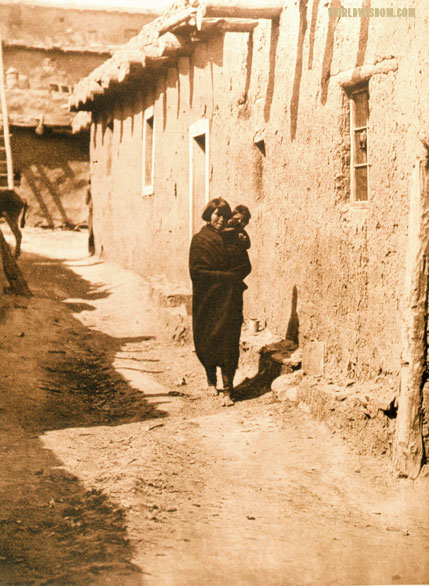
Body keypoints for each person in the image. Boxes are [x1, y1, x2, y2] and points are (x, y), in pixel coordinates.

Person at [189, 198, 251, 406]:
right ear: (209, 215)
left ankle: (228, 389)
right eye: (217, 215)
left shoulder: (233, 239)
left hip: (230, 300)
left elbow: (246, 266)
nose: (221, 219)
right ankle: (210, 380)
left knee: (229, 341)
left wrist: (233, 278)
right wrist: (226, 278)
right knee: (207, 340)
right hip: (208, 300)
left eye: (225, 215)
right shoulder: (200, 240)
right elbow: (196, 271)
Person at [222, 204, 251, 281]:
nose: (240, 222)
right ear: (232, 217)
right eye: (237, 219)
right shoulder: (225, 228)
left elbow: (248, 244)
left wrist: (243, 241)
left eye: (243, 221)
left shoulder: (241, 231)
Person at [86, 179, 95, 256]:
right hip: (93, 209)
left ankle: (91, 250)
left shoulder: (89, 188)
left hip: (92, 209)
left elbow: (86, 201)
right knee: (91, 230)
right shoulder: (90, 188)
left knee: (91, 230)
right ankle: (91, 250)